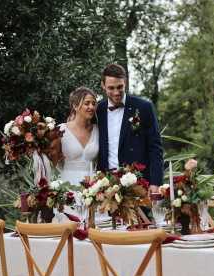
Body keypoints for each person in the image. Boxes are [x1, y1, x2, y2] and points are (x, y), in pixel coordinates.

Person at [96, 63, 163, 193]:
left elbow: (155, 148)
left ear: (125, 82)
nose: (116, 92)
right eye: (111, 88)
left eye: (120, 87)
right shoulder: (98, 110)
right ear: (103, 86)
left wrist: (155, 182)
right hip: (106, 184)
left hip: (138, 182)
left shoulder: (143, 107)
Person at [57, 86, 99, 185]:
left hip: (92, 186)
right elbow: (52, 160)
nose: (91, 107)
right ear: (75, 106)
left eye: (93, 103)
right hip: (67, 185)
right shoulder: (61, 130)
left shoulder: (98, 130)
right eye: (87, 103)